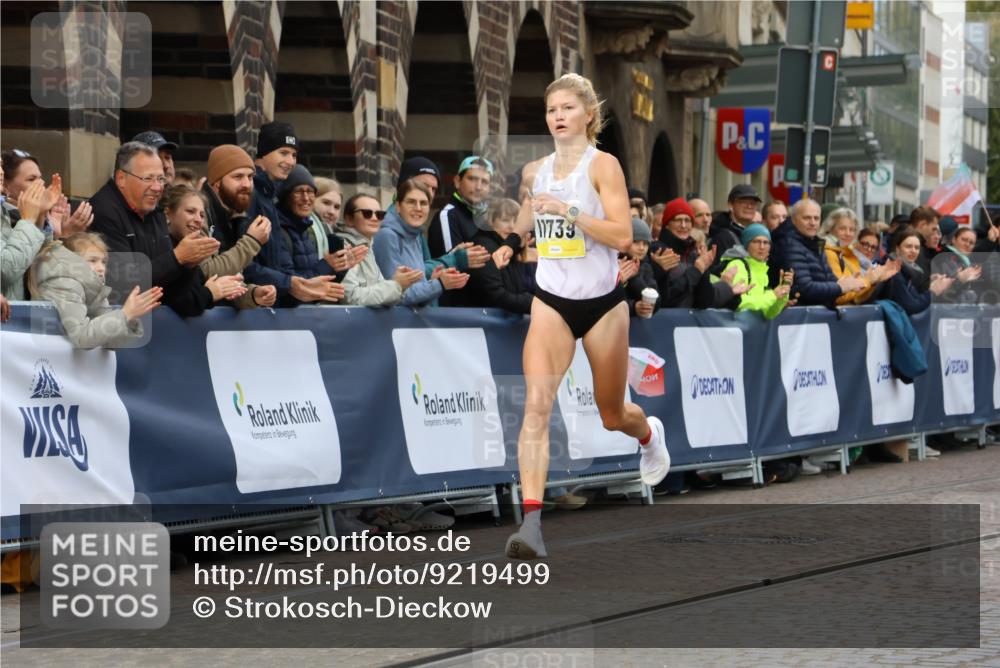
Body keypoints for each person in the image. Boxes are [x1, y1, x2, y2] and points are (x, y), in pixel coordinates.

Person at [490, 73, 669, 560]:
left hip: (602, 303)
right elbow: (530, 212)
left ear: (589, 115)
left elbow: (621, 236)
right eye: (552, 110)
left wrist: (569, 211)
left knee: (613, 414)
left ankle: (648, 434)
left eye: (568, 108)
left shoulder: (603, 166)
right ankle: (531, 525)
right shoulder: (536, 170)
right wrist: (512, 242)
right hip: (551, 299)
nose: (558, 116)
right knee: (535, 406)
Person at [89, 141, 224, 317]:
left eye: (161, 179)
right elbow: (123, 285)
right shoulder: (104, 212)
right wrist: (178, 258)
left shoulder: (155, 212)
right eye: (148, 178)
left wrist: (188, 265)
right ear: (121, 178)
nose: (157, 187)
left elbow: (170, 293)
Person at [27, 233, 162, 348]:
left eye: (103, 262)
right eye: (93, 260)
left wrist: (130, 318)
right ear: (73, 260)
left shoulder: (93, 287)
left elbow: (110, 342)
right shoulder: (64, 283)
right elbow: (82, 338)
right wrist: (125, 314)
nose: (101, 268)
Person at [163, 184, 271, 309]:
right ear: (168, 214)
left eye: (202, 215)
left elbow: (223, 285)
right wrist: (252, 241)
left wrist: (252, 295)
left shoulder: (202, 243)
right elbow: (185, 298)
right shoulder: (161, 248)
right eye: (190, 211)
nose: (198, 220)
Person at [200, 144, 277, 308]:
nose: (247, 184)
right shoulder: (199, 214)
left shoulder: (235, 214)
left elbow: (230, 280)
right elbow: (206, 272)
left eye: (250, 177)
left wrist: (252, 295)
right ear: (217, 182)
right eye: (238, 177)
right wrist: (252, 242)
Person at [374, 179, 470, 307]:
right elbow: (398, 295)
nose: (418, 208)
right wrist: (439, 283)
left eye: (423, 203)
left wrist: (433, 281)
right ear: (398, 206)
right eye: (411, 202)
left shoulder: (415, 235)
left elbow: (416, 294)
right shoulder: (386, 236)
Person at [770, 198, 868, 308]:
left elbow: (829, 279)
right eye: (807, 218)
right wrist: (840, 287)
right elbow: (804, 288)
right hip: (799, 314)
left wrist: (846, 284)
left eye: (816, 218)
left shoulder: (816, 243)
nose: (812, 223)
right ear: (794, 219)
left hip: (815, 312)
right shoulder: (788, 244)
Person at [336, 192, 423, 306]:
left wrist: (401, 284)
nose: (374, 218)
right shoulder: (341, 247)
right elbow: (352, 298)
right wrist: (396, 285)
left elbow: (378, 295)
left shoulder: (368, 247)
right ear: (349, 219)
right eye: (367, 213)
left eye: (380, 214)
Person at [466, 198, 536, 313]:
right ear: (492, 222)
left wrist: (520, 249)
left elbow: (518, 289)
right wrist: (536, 304)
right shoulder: (484, 248)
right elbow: (496, 296)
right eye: (505, 220)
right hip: (482, 319)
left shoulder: (509, 247)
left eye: (516, 222)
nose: (511, 226)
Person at [822, 207, 897, 305]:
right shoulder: (829, 253)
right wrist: (868, 280)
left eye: (852, 230)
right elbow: (839, 296)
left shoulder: (848, 253)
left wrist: (873, 282)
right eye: (842, 228)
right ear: (830, 229)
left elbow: (856, 299)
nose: (848, 233)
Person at [717, 224, 792, 319]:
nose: (762, 247)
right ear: (746, 244)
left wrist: (782, 293)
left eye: (766, 242)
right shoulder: (737, 265)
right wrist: (772, 295)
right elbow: (738, 303)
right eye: (756, 242)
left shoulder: (761, 269)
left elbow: (768, 314)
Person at [427, 155, 493, 258]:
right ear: (457, 181)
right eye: (472, 179)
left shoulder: (487, 218)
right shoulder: (447, 216)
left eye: (484, 182)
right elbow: (448, 264)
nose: (478, 187)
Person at [882, 227, 954, 314]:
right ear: (897, 248)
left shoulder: (907, 272)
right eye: (908, 247)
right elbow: (912, 306)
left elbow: (916, 297)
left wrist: (930, 283)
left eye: (917, 248)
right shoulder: (894, 272)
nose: (913, 251)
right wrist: (933, 291)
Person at [709, 184, 760, 262]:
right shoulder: (722, 235)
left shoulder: (757, 233)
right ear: (730, 205)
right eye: (744, 202)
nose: (749, 206)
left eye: (753, 203)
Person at [934, 226, 983, 303]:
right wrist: (960, 279)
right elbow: (945, 293)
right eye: (964, 240)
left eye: (971, 243)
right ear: (954, 239)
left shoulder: (965, 261)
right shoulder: (944, 258)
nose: (967, 244)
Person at [621, 218, 659, 318]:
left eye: (645, 243)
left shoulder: (646, 267)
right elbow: (609, 302)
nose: (641, 248)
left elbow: (656, 301)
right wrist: (633, 307)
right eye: (636, 242)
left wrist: (634, 277)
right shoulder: (615, 264)